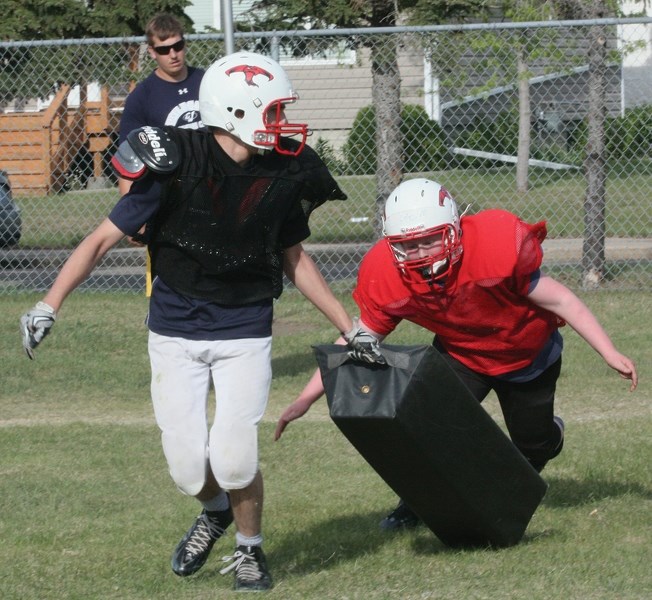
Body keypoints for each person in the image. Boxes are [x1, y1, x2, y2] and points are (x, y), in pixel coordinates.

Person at [19, 51, 381, 592]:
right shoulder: (175, 160)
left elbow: (296, 259)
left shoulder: (282, 167)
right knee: (189, 468)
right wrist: (49, 303)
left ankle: (250, 550)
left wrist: (349, 325)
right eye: (274, 111)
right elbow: (101, 239)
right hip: (174, 328)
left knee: (235, 458)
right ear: (236, 110)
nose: (283, 123)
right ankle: (215, 512)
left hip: (244, 328)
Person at [276, 177, 638, 531]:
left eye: (430, 240)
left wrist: (608, 351)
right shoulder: (387, 273)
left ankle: (546, 439)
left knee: (533, 449)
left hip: (526, 357)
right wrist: (306, 398)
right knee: (428, 436)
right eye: (408, 245)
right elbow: (356, 340)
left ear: (454, 229)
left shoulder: (494, 246)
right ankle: (414, 506)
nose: (419, 254)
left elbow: (560, 298)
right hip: (462, 357)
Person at [118, 13, 204, 198]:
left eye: (177, 46)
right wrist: (136, 221)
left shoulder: (208, 82)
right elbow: (129, 162)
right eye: (164, 50)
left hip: (212, 184)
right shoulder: (141, 97)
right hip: (171, 192)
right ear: (152, 52)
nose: (173, 55)